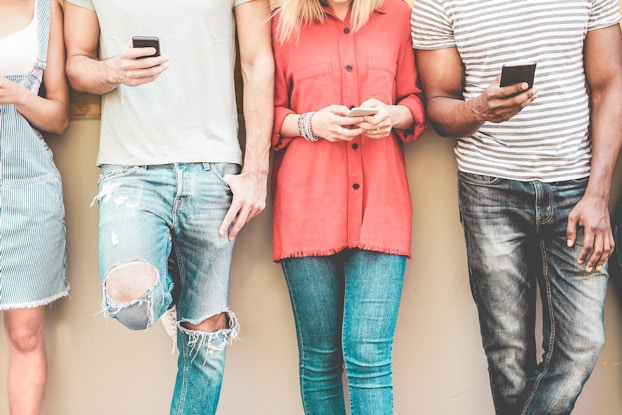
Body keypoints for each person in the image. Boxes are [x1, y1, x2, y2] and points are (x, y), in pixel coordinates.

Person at [412, 1, 622, 414]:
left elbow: (610, 85)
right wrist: (479, 109)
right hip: (489, 190)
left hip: (577, 190)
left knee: (582, 343)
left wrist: (598, 194)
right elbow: (439, 103)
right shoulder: (435, 2)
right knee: (507, 353)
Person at [63, 1, 273, 414]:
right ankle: (169, 296)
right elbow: (76, 63)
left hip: (214, 168)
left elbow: (257, 60)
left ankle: (184, 304)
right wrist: (113, 72)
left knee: (205, 334)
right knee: (133, 301)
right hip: (130, 171)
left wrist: (257, 171)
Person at [271, 0, 427, 413]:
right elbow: (265, 113)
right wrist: (310, 123)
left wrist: (392, 115)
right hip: (308, 209)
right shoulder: (282, 25)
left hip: (381, 206)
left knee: (370, 360)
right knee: (320, 361)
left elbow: (417, 100)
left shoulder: (398, 16)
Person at [0, 0, 70, 413]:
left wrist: (17, 95)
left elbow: (60, 116)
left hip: (27, 191)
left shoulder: (47, 10)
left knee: (25, 334)